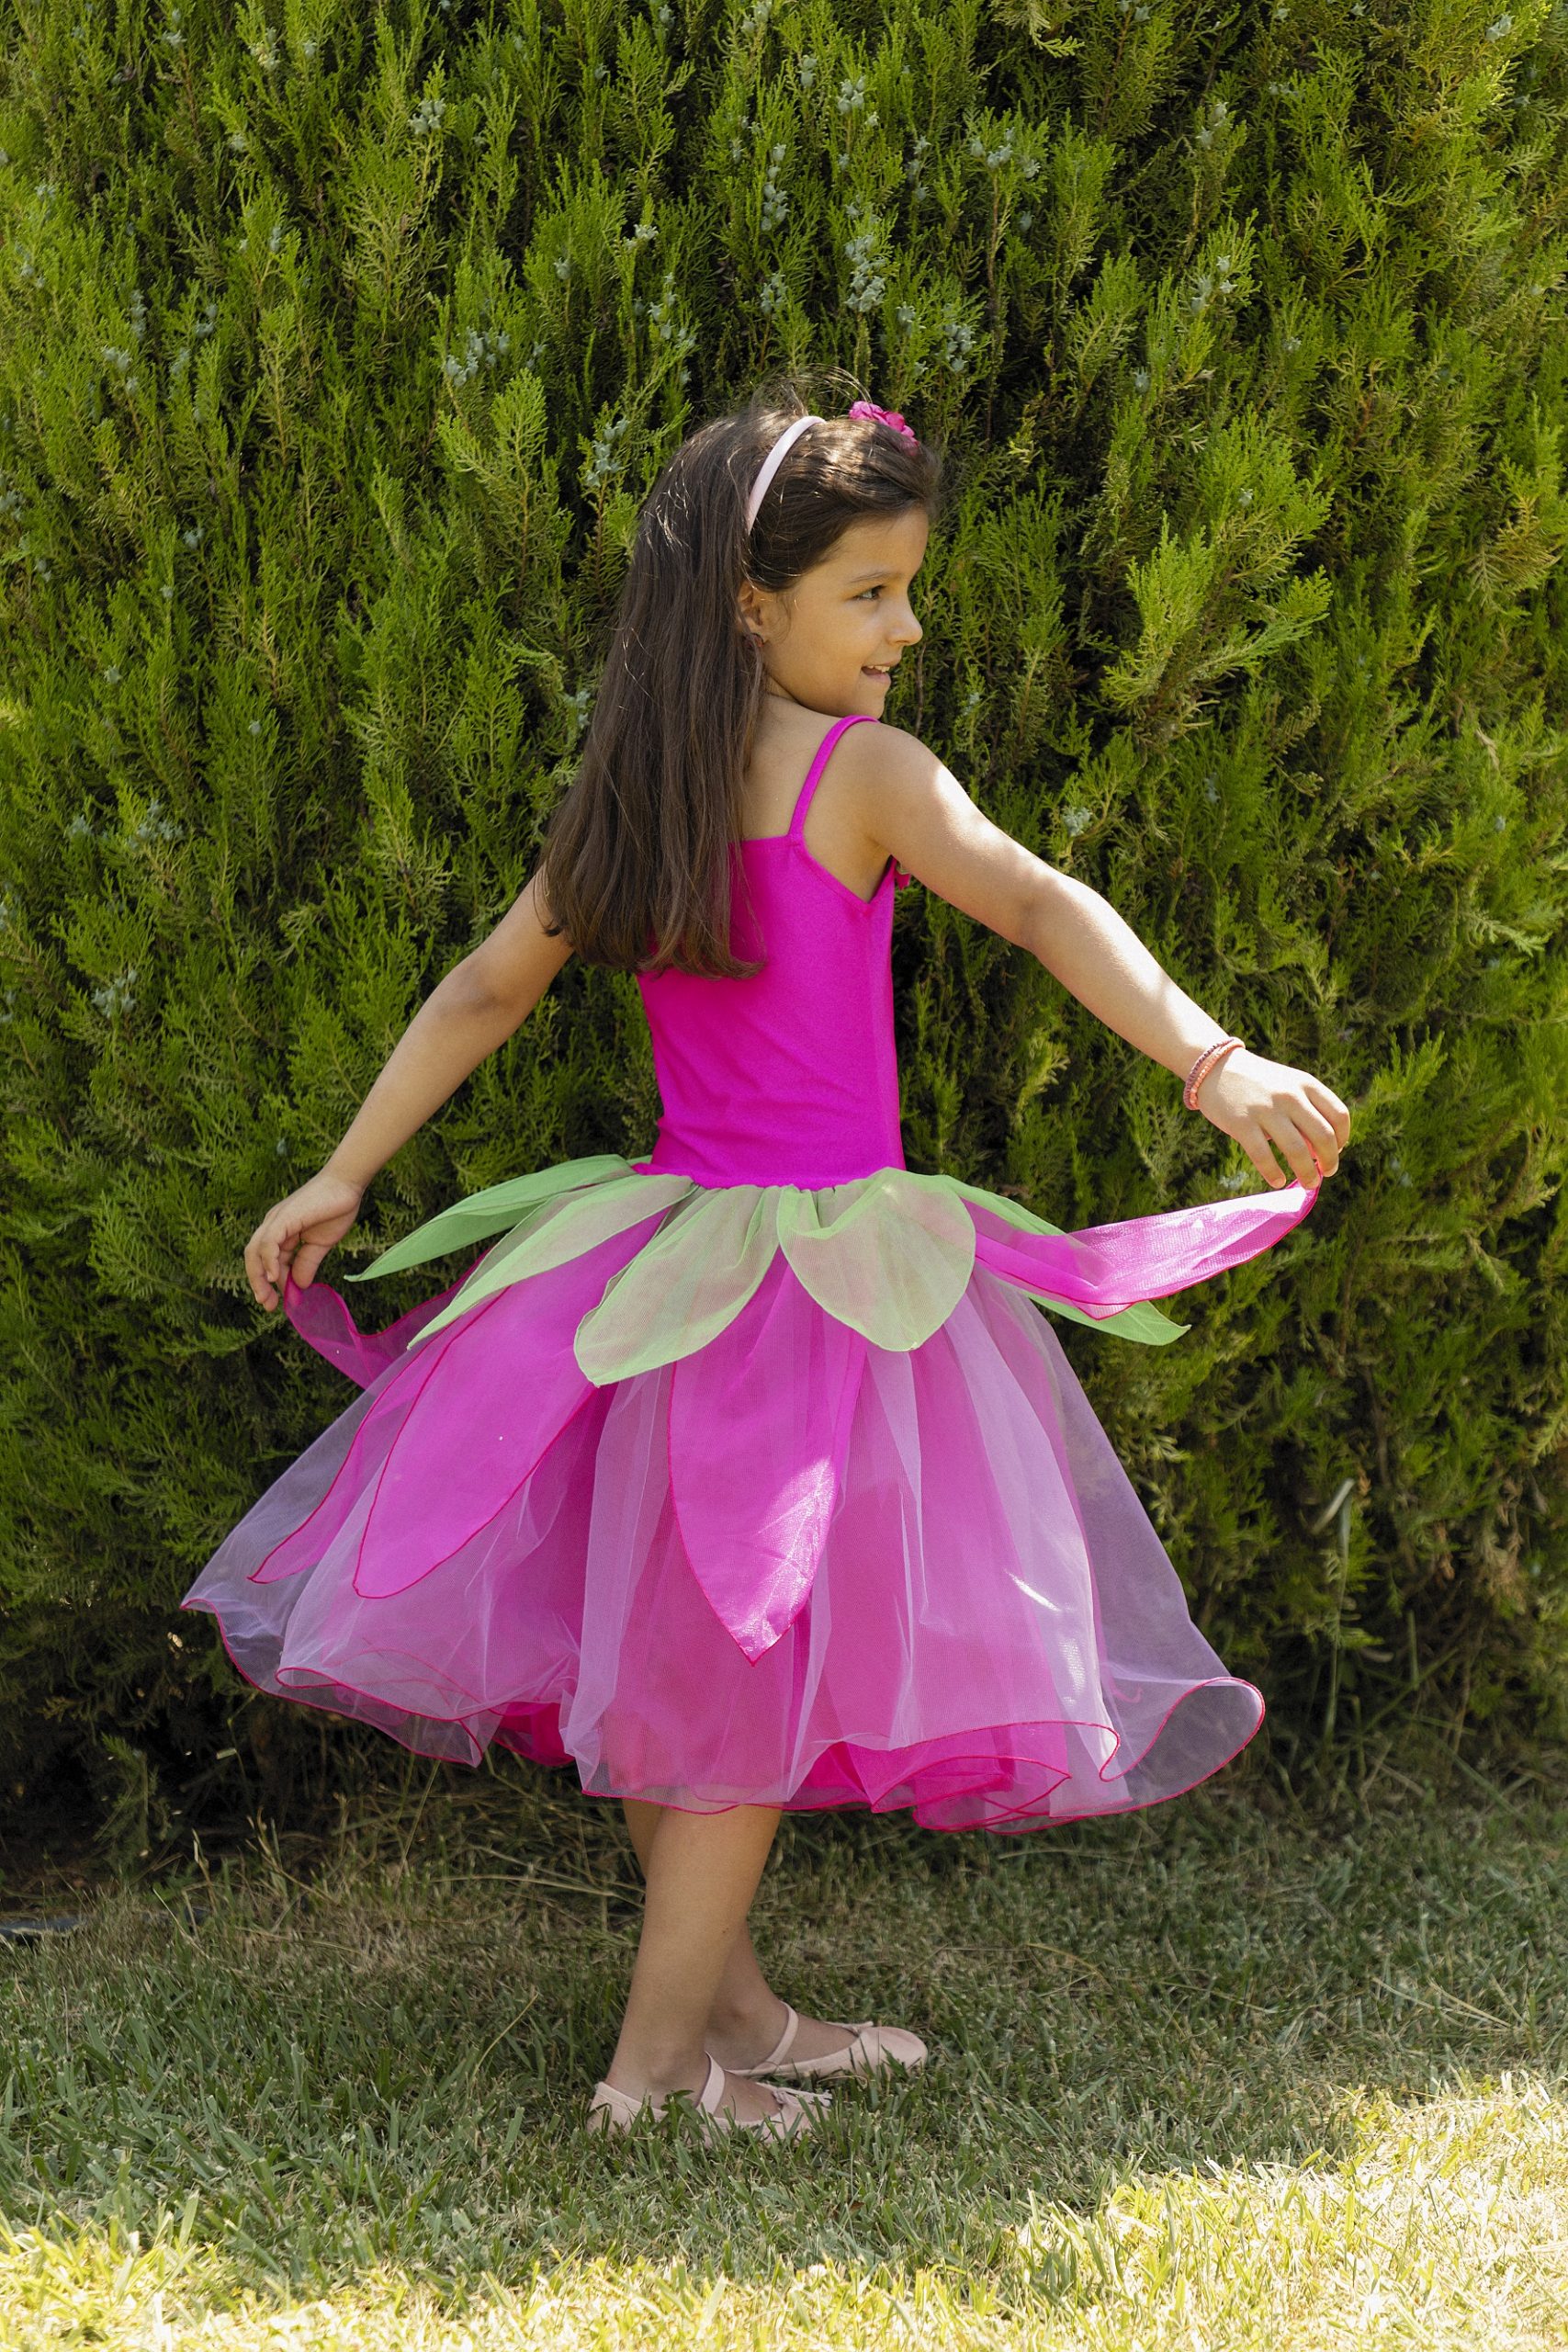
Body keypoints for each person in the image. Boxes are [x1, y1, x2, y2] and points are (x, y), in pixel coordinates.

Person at [180, 380, 1350, 2145]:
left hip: (658, 1265)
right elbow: (1037, 900)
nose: (906, 628)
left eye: (905, 588)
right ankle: (657, 2076)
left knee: (686, 1651)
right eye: (870, 592)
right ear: (752, 603)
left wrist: (349, 1169)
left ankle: (735, 2012)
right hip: (810, 1277)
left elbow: (487, 988)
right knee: (737, 1670)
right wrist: (1212, 1061)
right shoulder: (861, 774)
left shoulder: (640, 782)